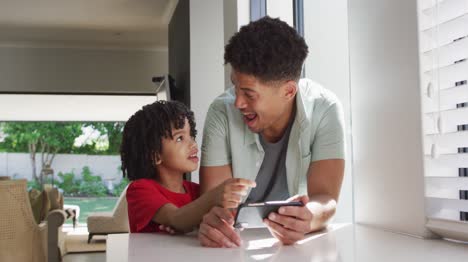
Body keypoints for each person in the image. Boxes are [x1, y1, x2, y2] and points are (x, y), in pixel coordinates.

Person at [198, 16, 346, 247]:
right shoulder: (220, 112)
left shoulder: (325, 108)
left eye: (249, 93)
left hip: (292, 250)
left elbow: (325, 198)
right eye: (235, 86)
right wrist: (215, 222)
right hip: (237, 245)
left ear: (288, 91)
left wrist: (309, 218)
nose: (237, 102)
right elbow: (215, 200)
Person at [121, 100, 255, 237]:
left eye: (191, 135)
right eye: (180, 138)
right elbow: (176, 218)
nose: (193, 144)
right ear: (155, 156)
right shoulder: (140, 189)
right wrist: (213, 196)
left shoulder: (196, 191)